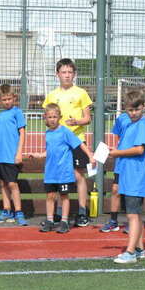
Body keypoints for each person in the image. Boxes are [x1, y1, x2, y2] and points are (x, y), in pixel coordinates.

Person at [42, 58, 92, 226]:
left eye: (70, 72)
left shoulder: (81, 93)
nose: (67, 75)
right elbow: (47, 117)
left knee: (78, 175)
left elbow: (87, 118)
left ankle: (82, 211)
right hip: (59, 142)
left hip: (76, 139)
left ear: (74, 74)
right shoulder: (52, 95)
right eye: (63, 72)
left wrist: (76, 121)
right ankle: (58, 212)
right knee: (58, 174)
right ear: (57, 74)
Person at [33, 104, 94, 234]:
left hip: (63, 172)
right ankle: (50, 220)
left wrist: (90, 155)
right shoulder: (48, 133)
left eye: (55, 117)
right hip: (51, 172)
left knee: (64, 196)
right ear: (45, 118)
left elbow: (79, 143)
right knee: (50, 196)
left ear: (59, 117)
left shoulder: (65, 131)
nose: (52, 119)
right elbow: (49, 151)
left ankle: (64, 221)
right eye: (50, 117)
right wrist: (40, 155)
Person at [109, 89, 145, 264]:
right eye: (130, 110)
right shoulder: (129, 123)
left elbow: (139, 149)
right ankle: (139, 248)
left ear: (144, 107)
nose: (133, 113)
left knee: (132, 216)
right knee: (135, 215)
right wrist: (116, 152)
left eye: (137, 109)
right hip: (128, 174)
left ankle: (130, 252)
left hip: (136, 176)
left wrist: (117, 153)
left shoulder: (143, 124)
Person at [0, 83, 28, 226]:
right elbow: (0, 136)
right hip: (0, 156)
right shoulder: (0, 115)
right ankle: (6, 211)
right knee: (3, 183)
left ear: (14, 98)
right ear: (0, 100)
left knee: (12, 184)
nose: (7, 102)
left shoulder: (17, 113)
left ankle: (19, 212)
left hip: (11, 156)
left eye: (9, 99)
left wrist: (19, 153)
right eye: (4, 99)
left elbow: (22, 133)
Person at [99, 109, 131, 233]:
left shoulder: (142, 122)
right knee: (115, 189)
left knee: (130, 192)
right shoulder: (121, 118)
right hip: (121, 161)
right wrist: (117, 150)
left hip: (133, 161)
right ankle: (113, 221)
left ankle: (132, 222)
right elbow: (120, 139)